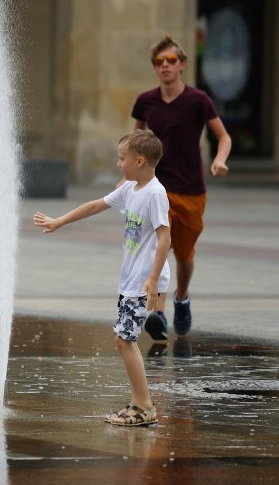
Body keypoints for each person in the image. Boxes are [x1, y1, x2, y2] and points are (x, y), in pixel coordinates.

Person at [34, 130, 170, 426]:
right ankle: (137, 403)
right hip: (131, 279)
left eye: (122, 159)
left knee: (124, 340)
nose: (118, 164)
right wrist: (60, 221)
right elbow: (97, 204)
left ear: (140, 160)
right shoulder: (130, 188)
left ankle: (145, 407)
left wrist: (152, 278)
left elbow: (165, 238)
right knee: (124, 339)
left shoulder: (155, 193)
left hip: (143, 281)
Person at [132, 34, 232, 340]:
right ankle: (158, 314)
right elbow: (135, 142)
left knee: (185, 255)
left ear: (182, 64)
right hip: (157, 188)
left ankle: (183, 297)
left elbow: (224, 136)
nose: (165, 66)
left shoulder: (198, 100)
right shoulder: (145, 101)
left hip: (191, 190)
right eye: (159, 61)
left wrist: (219, 159)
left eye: (171, 60)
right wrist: (128, 174)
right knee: (157, 247)